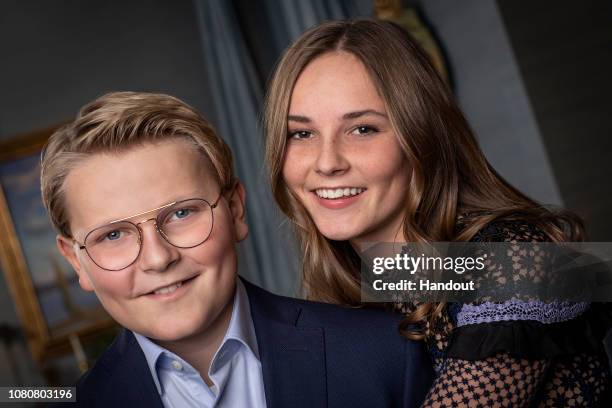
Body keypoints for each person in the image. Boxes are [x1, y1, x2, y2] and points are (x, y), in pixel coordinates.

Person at [264, 19, 611, 406]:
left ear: (421, 134)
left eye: (362, 129)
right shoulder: (383, 278)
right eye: (301, 133)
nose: (326, 163)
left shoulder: (520, 261)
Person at [40, 91, 434, 407]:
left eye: (181, 213)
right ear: (76, 260)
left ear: (235, 210)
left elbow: (485, 277)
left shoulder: (387, 353)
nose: (159, 259)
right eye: (113, 235)